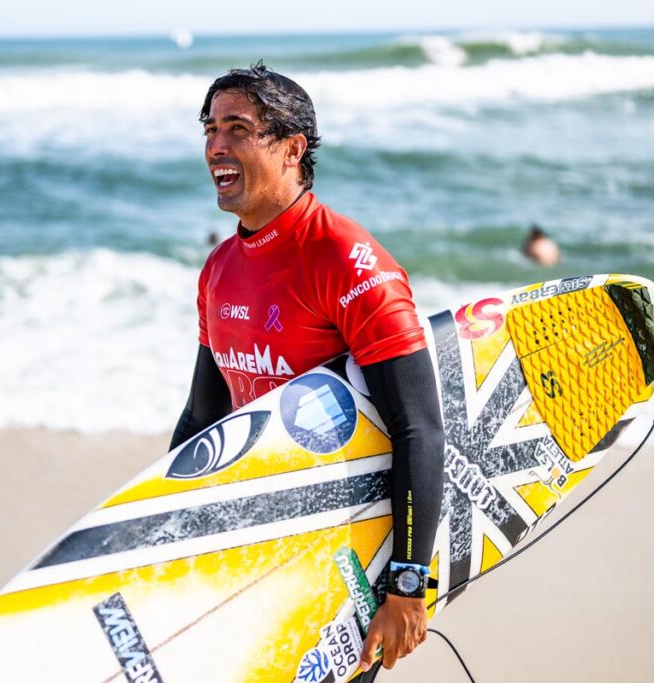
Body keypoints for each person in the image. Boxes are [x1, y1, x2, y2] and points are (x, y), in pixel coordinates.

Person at [170, 62, 445, 680]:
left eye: (238, 128)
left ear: (293, 148)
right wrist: (164, 522)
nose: (216, 144)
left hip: (346, 547)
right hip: (259, 536)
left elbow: (420, 429)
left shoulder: (346, 260)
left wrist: (406, 585)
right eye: (210, 128)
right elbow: (201, 417)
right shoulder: (218, 269)